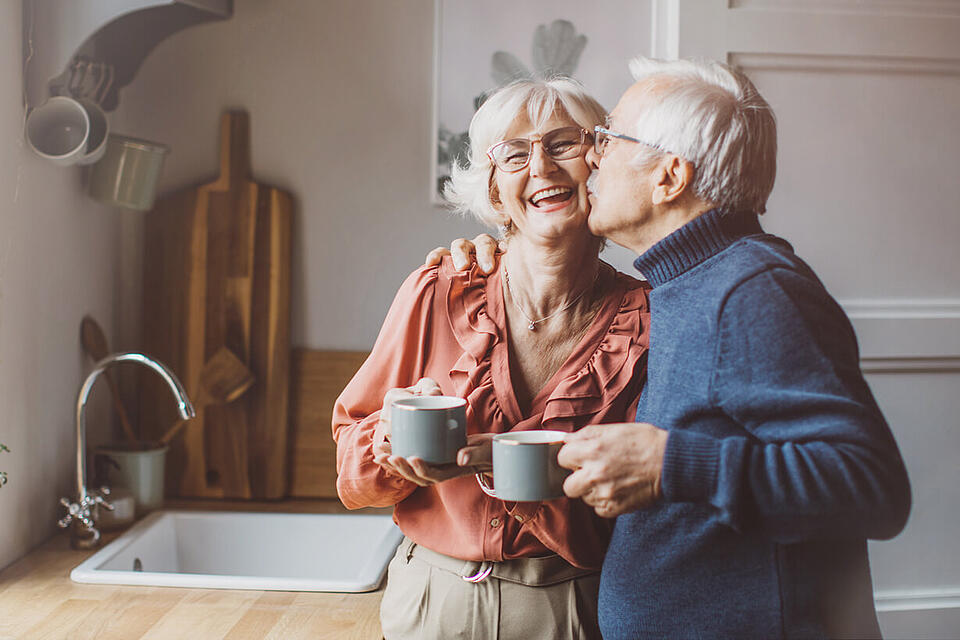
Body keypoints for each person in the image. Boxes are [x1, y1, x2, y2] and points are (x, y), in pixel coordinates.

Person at [434, 57, 911, 639]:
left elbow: (873, 486)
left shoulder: (753, 290)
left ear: (669, 177)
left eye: (608, 138)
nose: (590, 157)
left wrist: (669, 466)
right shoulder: (687, 284)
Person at [333, 76, 651, 640]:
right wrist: (390, 438)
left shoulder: (647, 320)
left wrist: (502, 462)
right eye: (515, 154)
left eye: (563, 145)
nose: (542, 168)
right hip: (431, 600)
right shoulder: (437, 289)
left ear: (598, 165)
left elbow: (648, 501)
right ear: (495, 190)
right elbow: (351, 469)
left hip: (576, 606)